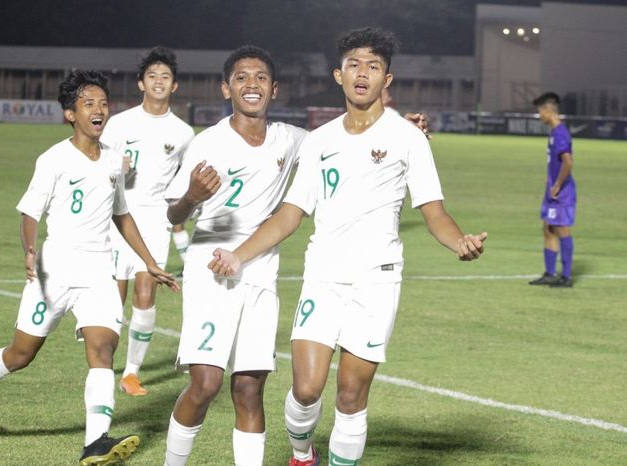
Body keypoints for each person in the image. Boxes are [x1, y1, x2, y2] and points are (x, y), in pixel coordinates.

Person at [208, 27, 487, 465]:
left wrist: (460, 242)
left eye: (374, 67)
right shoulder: (319, 141)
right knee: (305, 389)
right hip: (323, 277)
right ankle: (302, 453)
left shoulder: (408, 138)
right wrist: (239, 254)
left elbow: (434, 212)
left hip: (377, 282)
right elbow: (290, 213)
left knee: (352, 395)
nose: (363, 73)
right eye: (354, 65)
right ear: (339, 75)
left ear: (386, 80)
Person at [0, 70, 179, 465]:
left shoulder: (112, 161)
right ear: (71, 114)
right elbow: (30, 213)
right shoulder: (53, 159)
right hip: (54, 271)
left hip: (97, 272)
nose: (99, 109)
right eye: (89, 104)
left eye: (103, 102)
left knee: (103, 348)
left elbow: (122, 213)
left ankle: (95, 442)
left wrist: (150, 262)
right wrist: (30, 249)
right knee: (21, 354)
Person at [160, 44, 308, 466]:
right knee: (205, 384)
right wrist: (190, 196)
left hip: (261, 271)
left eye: (260, 77)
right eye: (241, 77)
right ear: (227, 88)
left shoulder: (290, 139)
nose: (251, 84)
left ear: (274, 89)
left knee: (248, 388)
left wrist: (395, 125)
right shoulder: (208, 142)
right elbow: (174, 212)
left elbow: (341, 142)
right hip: (211, 267)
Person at [101, 45, 195, 396]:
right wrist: (116, 170)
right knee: (114, 297)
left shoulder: (184, 133)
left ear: (174, 86)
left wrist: (181, 213)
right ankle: (101, 364)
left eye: (165, 77)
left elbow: (185, 181)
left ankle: (132, 373)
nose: (158, 81)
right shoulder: (120, 123)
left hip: (155, 220)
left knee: (145, 292)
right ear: (141, 83)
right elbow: (97, 165)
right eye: (152, 76)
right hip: (117, 216)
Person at [528, 92, 576, 288]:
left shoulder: (560, 133)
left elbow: (568, 161)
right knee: (548, 228)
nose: (539, 115)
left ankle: (565, 276)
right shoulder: (554, 132)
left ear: (548, 110)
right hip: (552, 191)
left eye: (540, 111)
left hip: (561, 192)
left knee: (562, 228)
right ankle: (549, 273)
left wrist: (557, 185)